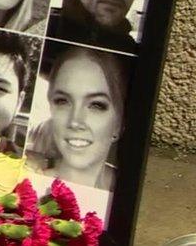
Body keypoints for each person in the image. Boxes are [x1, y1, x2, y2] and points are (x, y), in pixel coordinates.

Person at [26, 46, 127, 190]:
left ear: (118, 123)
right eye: (63, 101)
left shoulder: (127, 189)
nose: (75, 121)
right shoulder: (28, 181)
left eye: (96, 105)